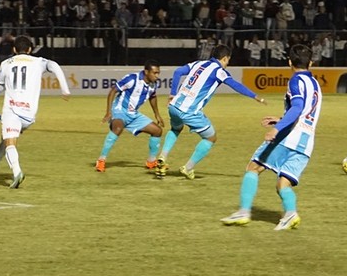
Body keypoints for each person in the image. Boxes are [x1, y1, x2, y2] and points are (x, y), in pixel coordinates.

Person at [221, 44, 321, 231]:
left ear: (290, 62)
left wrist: (278, 129)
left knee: (253, 167)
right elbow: (305, 111)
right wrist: (281, 119)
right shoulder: (315, 84)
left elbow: (298, 108)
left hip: (289, 137)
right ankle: (290, 214)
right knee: (283, 183)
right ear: (311, 63)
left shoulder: (295, 81)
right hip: (307, 142)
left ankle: (243, 211)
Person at [155, 45, 267, 180]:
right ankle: (188, 167)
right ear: (225, 58)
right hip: (190, 111)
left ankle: (162, 156)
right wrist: (255, 96)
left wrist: (173, 94)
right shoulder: (219, 71)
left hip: (174, 106)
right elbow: (235, 85)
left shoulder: (198, 63)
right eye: (228, 60)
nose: (228, 64)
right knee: (210, 137)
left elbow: (178, 71)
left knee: (175, 129)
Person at [0, 35, 70, 188]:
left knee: (10, 142)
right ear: (30, 49)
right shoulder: (38, 62)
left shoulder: (6, 63)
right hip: (29, 115)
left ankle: (17, 172)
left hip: (12, 110)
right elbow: (55, 65)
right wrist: (65, 89)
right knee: (5, 140)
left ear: (14, 49)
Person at [95, 60, 165, 173]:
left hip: (134, 114)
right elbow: (113, 91)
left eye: (158, 73)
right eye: (155, 73)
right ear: (146, 72)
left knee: (157, 131)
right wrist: (108, 112)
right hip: (119, 110)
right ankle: (101, 160)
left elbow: (153, 96)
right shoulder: (132, 79)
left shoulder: (153, 83)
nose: (157, 76)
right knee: (118, 128)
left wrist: (157, 114)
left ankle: (151, 161)